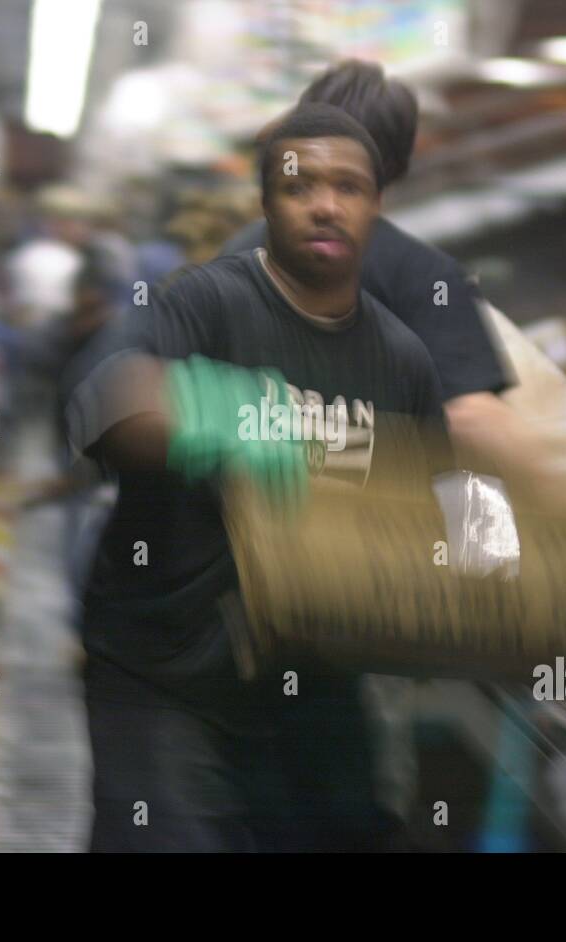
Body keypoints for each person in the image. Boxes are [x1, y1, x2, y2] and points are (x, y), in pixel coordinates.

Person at [67, 104, 451, 851]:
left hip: (309, 684)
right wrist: (275, 429)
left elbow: (436, 519)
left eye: (349, 187)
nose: (325, 204)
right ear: (266, 203)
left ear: (377, 207)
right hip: (164, 668)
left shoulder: (403, 359)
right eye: (299, 184)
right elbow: (110, 405)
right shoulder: (204, 303)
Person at [225, 60, 566, 510]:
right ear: (395, 167)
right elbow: (470, 418)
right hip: (356, 548)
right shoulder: (420, 275)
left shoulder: (235, 255)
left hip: (241, 531)